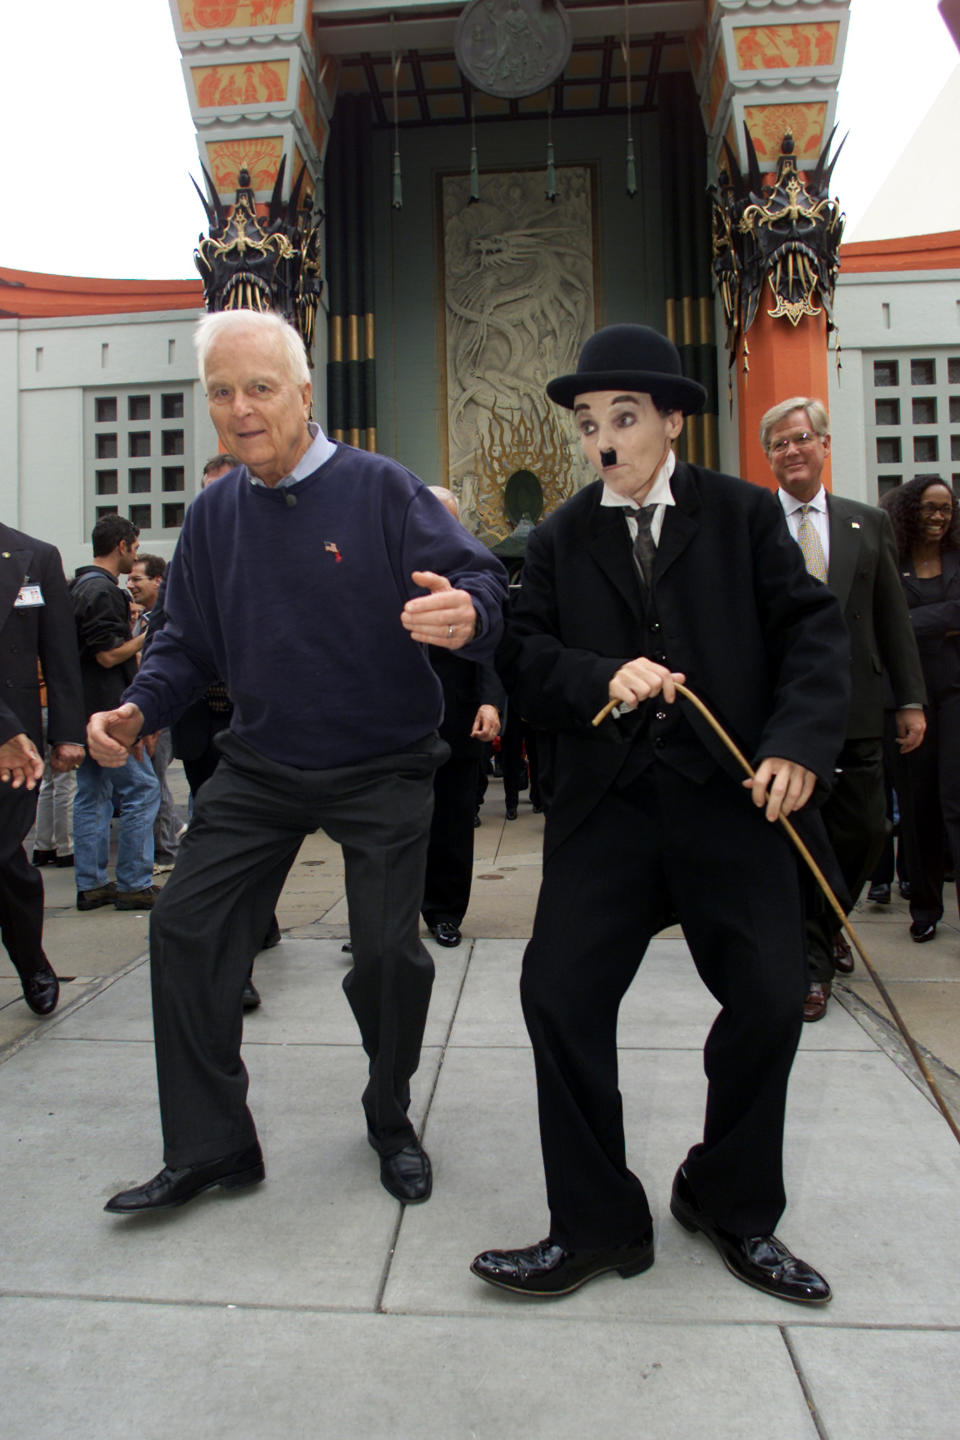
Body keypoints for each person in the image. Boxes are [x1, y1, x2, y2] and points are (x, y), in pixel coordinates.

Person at [87, 308, 507, 1215]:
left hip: (383, 762)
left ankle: (389, 1116)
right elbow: (183, 645)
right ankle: (213, 1147)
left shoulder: (382, 491)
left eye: (260, 388)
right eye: (221, 393)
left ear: (304, 393)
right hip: (263, 763)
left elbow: (480, 575)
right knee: (186, 929)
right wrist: (134, 708)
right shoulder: (212, 518)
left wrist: (469, 612)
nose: (240, 409)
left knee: (391, 957)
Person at [470, 323, 850, 1305]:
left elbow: (812, 634)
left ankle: (728, 1200)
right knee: (557, 996)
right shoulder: (557, 537)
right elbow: (526, 660)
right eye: (590, 423)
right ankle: (598, 1225)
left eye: (624, 419)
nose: (603, 441)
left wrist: (796, 746)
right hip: (610, 813)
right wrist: (604, 674)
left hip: (731, 806)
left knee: (770, 999)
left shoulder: (741, 516)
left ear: (671, 420)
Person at [763, 397, 926, 1020]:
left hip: (859, 706)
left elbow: (892, 616)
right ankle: (812, 965)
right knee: (799, 839)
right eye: (778, 443)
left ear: (825, 445)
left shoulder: (866, 523)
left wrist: (909, 699)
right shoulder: (754, 523)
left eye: (802, 438)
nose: (792, 451)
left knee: (863, 833)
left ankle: (829, 921)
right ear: (769, 458)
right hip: (784, 714)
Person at [0, 522, 85, 1014]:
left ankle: (31, 960)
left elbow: (59, 651)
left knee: (6, 856)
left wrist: (68, 733)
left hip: (20, 751)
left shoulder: (34, 555)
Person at [421, 487, 503, 948]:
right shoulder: (391, 564)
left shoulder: (476, 572)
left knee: (452, 821)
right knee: (387, 826)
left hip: (457, 717)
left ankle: (444, 912)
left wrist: (490, 703)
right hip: (394, 724)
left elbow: (491, 648)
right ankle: (379, 917)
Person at [70, 515, 161, 912]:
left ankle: (91, 883)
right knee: (143, 789)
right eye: (135, 547)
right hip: (108, 709)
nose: (135, 556)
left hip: (83, 708)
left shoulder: (76, 585)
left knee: (92, 794)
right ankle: (134, 883)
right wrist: (148, 634)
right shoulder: (103, 592)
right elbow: (107, 655)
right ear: (123, 546)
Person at [884, 476, 960, 942]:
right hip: (907, 699)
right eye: (930, 508)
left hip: (955, 693)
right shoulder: (893, 560)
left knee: (955, 801)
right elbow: (883, 619)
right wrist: (940, 620)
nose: (938, 517)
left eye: (946, 509)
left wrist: (910, 623)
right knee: (918, 806)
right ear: (912, 511)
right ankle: (925, 907)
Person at [127, 553, 186, 872]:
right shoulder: (142, 621)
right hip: (144, 708)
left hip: (162, 711)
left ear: (158, 581)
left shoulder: (162, 620)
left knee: (155, 779)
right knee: (153, 779)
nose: (130, 585)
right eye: (129, 579)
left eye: (137, 579)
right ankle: (168, 841)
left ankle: (166, 847)